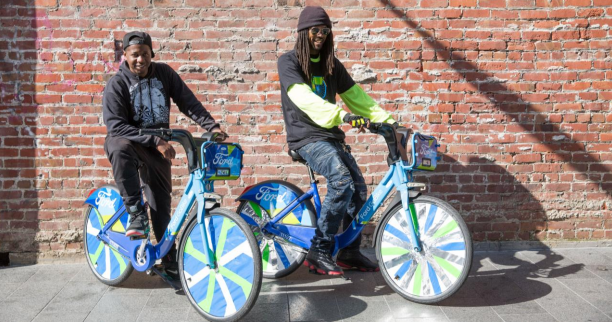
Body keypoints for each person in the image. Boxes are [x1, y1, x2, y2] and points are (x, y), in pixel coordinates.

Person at [277, 6, 397, 275]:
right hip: (306, 137)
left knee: (359, 191)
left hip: (331, 136)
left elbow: (358, 98)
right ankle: (319, 250)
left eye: (325, 30)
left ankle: (349, 252)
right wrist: (342, 115)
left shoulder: (332, 65)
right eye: (315, 30)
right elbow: (304, 100)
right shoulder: (288, 62)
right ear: (303, 33)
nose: (320, 35)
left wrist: (390, 122)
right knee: (341, 181)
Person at [102, 31, 226, 278]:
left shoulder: (164, 74)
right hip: (131, 143)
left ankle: (167, 257)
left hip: (157, 150)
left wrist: (211, 126)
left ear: (152, 54)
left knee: (161, 203)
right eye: (134, 55)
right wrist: (155, 139)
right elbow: (115, 126)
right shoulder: (117, 84)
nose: (140, 59)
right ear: (125, 56)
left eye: (145, 54)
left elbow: (187, 101)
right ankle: (135, 214)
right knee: (118, 145)